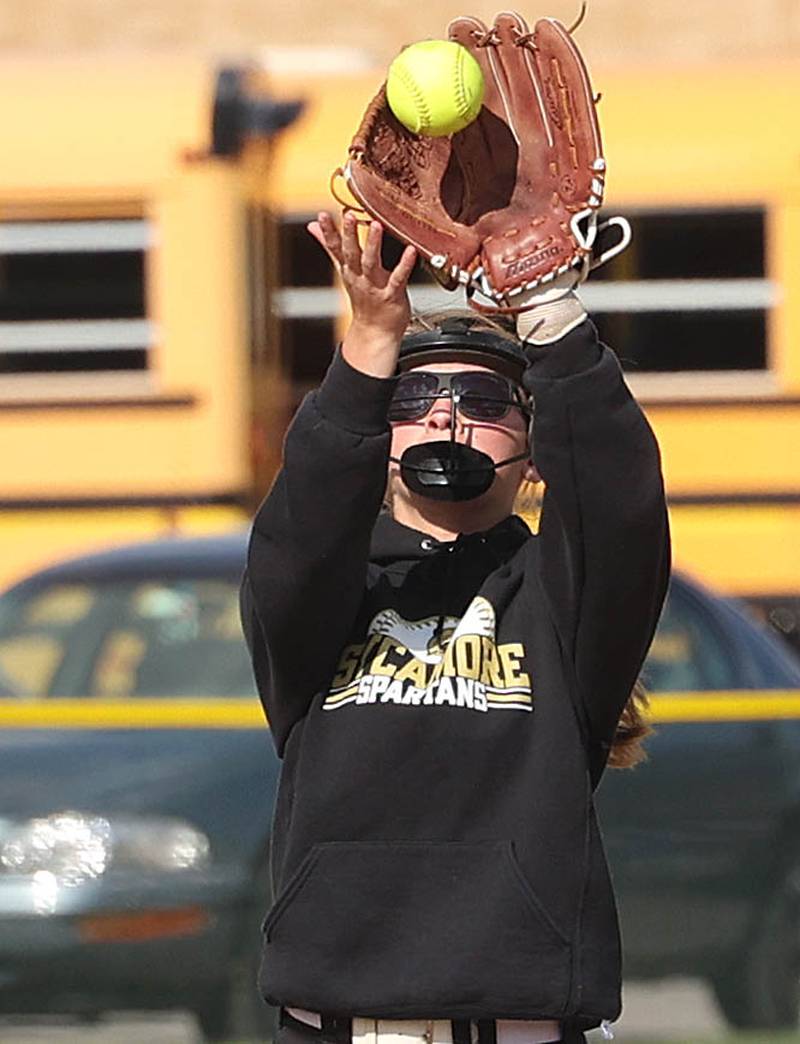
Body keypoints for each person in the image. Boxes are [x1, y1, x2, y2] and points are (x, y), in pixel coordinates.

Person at [240, 210, 671, 1044]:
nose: (445, 417)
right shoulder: (329, 591)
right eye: (415, 397)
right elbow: (301, 527)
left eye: (481, 399)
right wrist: (369, 344)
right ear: (382, 428)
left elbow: (620, 506)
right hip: (335, 1022)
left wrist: (550, 313)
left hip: (517, 1022)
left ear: (534, 447)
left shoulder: (556, 600)